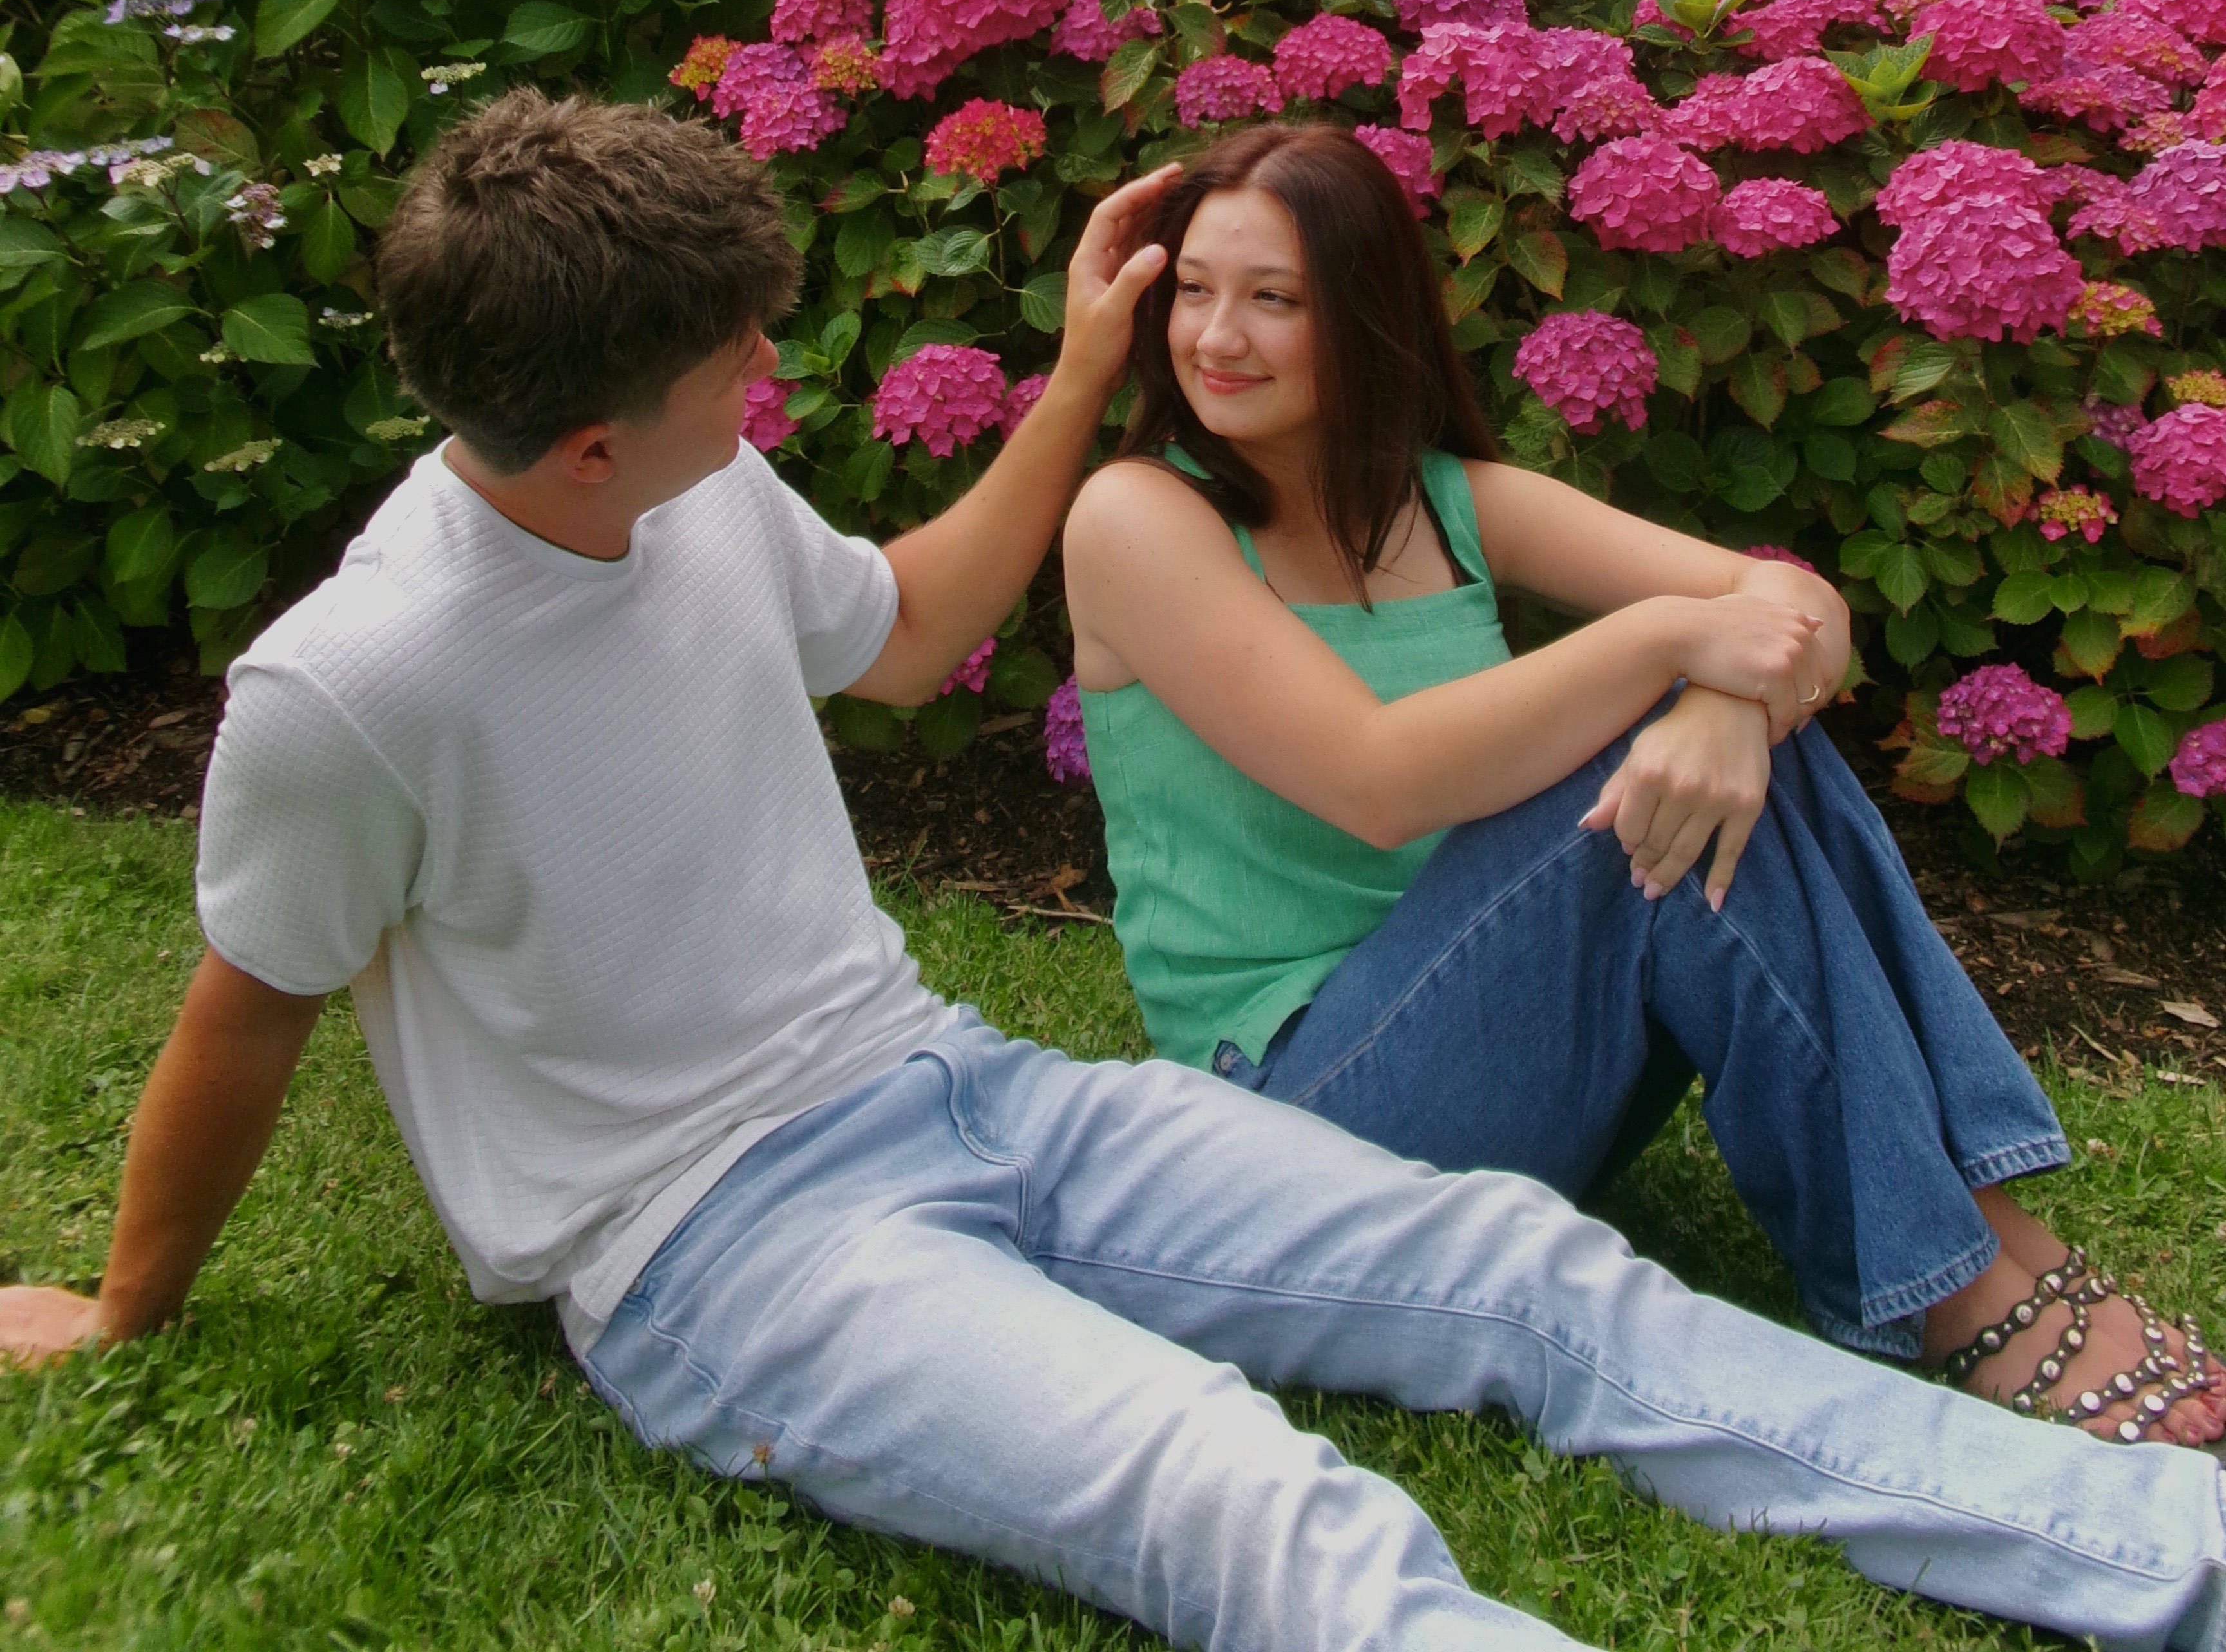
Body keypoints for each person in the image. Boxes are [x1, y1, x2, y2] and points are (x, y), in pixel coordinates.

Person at [5, 88, 2226, 1652]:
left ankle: (2166, 1548)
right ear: (594, 436)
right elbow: (246, 1010)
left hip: (959, 1083)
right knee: (1235, 1490)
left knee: (1539, 1277)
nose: (771, 371)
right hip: (717, 1245)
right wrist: (123, 1309)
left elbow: (907, 629)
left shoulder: (688, 498)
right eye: (733, 358)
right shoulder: (358, 684)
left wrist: (1080, 371)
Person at [1061, 120, 2223, 1453]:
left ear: (1366, 313)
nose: (1217, 337)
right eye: (1194, 291)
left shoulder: (1444, 502)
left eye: (1273, 298)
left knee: (1734, 742)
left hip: (1501, 1076)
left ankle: (1982, 1243)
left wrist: (1727, 701)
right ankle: (1964, 1288)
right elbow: (1373, 780)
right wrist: (1676, 648)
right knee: (1652, 745)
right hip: (1294, 1129)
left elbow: (1798, 607)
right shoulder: (1138, 518)